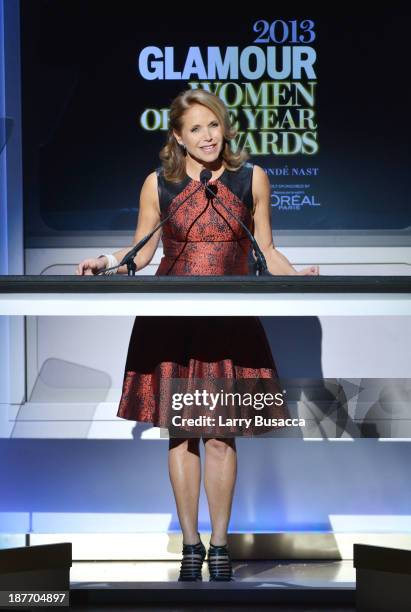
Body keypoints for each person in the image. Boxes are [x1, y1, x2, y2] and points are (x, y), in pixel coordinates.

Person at [76, 89, 319, 582]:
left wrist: (298, 278)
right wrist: (108, 263)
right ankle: (190, 546)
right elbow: (141, 252)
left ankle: (222, 545)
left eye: (214, 125)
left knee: (221, 435)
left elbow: (266, 250)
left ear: (224, 127)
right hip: (172, 319)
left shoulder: (250, 179)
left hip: (230, 318)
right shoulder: (158, 184)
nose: (208, 136)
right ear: (178, 137)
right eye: (196, 129)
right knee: (182, 431)